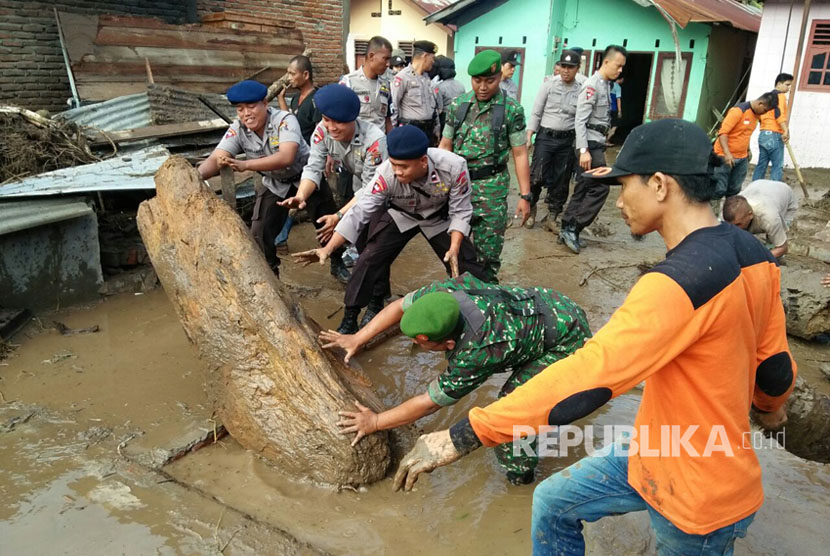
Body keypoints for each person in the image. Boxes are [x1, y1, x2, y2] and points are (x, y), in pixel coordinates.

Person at [393, 119, 796, 556]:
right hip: (658, 449)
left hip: (697, 496)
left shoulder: (675, 284)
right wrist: (770, 412)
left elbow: (587, 377)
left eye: (625, 187)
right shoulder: (753, 253)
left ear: (660, 184)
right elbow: (774, 368)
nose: (619, 203)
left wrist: (462, 435)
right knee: (552, 503)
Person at [325, 273, 591, 485]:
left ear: (449, 343)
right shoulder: (443, 294)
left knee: (511, 410)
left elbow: (430, 403)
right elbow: (399, 306)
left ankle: (520, 477)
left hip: (565, 340)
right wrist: (358, 338)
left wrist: (375, 421)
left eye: (421, 344)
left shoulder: (477, 351)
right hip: (550, 304)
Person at [293, 125, 487, 334]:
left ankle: (481, 312)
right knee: (370, 257)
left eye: (403, 167)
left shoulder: (454, 167)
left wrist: (455, 245)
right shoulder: (386, 173)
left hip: (438, 218)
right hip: (401, 214)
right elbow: (359, 213)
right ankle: (351, 315)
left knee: (466, 262)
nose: (397, 171)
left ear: (423, 161)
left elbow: (461, 210)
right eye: (394, 164)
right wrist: (328, 249)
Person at [198, 80, 342, 280]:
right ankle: (271, 273)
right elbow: (217, 158)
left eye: (251, 106)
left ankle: (338, 262)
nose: (246, 113)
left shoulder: (284, 120)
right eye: (240, 109)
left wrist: (246, 165)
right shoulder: (238, 129)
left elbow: (286, 157)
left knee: (325, 222)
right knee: (260, 230)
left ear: (265, 103)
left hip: (305, 178)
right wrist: (195, 177)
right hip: (275, 183)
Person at [279, 84, 388, 284]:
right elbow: (313, 167)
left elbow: (370, 190)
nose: (331, 127)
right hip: (359, 183)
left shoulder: (375, 141)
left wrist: (339, 216)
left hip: (384, 191)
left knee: (374, 245)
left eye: (338, 122)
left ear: (352, 120)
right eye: (327, 120)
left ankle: (378, 297)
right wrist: (301, 196)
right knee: (357, 237)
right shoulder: (322, 131)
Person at [440, 49, 532, 284]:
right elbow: (445, 146)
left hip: (492, 189)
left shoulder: (512, 110)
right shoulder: (458, 106)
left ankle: (488, 301)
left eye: (489, 81)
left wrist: (525, 195)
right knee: (453, 246)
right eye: (477, 80)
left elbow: (520, 153)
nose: (482, 87)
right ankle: (460, 294)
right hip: (459, 187)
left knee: (488, 253)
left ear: (500, 77)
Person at [559, 45, 627, 254]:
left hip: (596, 141)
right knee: (600, 187)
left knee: (584, 186)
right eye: (618, 65)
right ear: (606, 62)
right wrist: (583, 150)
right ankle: (573, 226)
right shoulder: (592, 85)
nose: (620, 70)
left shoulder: (606, 85)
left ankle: (568, 228)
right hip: (588, 143)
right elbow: (580, 120)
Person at [525, 50, 582, 229]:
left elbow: (582, 118)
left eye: (570, 67)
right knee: (537, 175)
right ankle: (531, 207)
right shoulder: (549, 85)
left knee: (561, 178)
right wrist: (529, 134)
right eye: (563, 66)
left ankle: (552, 215)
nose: (566, 71)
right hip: (546, 137)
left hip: (567, 140)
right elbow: (536, 110)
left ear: (577, 69)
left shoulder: (582, 88)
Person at [275, 55, 322, 251]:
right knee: (292, 202)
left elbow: (323, 131)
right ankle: (280, 239)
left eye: (292, 73)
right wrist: (280, 99)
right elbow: (289, 122)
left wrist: (325, 160)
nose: (289, 78)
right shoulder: (295, 99)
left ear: (305, 74)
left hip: (313, 159)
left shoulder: (316, 100)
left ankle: (334, 250)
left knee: (315, 206)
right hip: (295, 160)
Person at [713, 91, 778, 199]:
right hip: (723, 156)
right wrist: (727, 154)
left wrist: (748, 150)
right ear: (760, 103)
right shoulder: (738, 111)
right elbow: (722, 133)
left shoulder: (757, 115)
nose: (764, 113)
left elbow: (745, 133)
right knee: (718, 189)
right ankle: (712, 214)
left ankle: (729, 214)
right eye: (765, 110)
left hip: (742, 158)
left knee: (734, 190)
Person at [722, 179, 798, 259]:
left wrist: (757, 260)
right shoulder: (727, 215)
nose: (735, 229)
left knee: (774, 244)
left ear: (750, 215)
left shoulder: (769, 218)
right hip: (758, 185)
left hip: (784, 196)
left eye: (738, 224)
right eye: (731, 225)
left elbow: (782, 248)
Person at [392, 40, 442, 146]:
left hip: (428, 131)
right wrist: (393, 134)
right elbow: (394, 107)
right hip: (410, 130)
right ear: (425, 56)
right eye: (432, 58)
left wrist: (437, 128)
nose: (433, 62)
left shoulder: (427, 79)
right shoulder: (403, 77)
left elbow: (434, 107)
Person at [340, 36, 394, 133]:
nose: (388, 64)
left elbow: (387, 120)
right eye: (385, 59)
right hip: (358, 143)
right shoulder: (349, 82)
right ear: (371, 56)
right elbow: (340, 117)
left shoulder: (385, 84)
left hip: (380, 143)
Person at [753, 73, 793, 182]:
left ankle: (754, 188)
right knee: (777, 166)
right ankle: (774, 191)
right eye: (787, 85)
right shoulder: (780, 97)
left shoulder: (766, 97)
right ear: (779, 84)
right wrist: (785, 130)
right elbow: (778, 115)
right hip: (775, 135)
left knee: (761, 165)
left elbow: (760, 116)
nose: (789, 88)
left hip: (763, 135)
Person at [435, 57, 466, 132]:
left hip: (445, 119)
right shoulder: (461, 85)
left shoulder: (439, 87)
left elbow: (439, 109)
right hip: (459, 117)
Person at [608, 76, 623, 141]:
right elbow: (618, 99)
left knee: (608, 124)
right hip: (613, 109)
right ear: (621, 79)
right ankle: (606, 140)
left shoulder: (608, 85)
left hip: (606, 108)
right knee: (614, 126)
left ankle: (605, 140)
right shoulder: (618, 87)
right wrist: (619, 111)